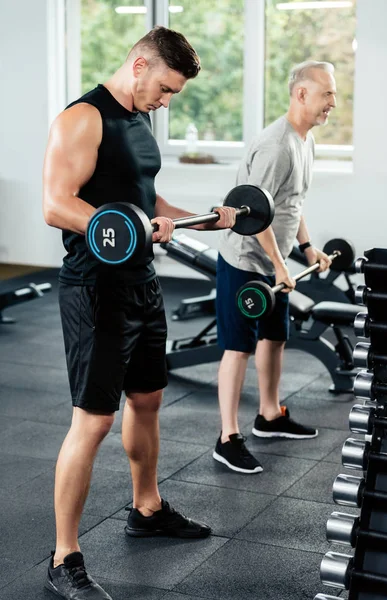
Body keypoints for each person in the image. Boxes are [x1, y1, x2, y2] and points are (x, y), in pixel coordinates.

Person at [42, 26, 236, 600]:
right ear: (140, 64)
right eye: (166, 88)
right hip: (95, 288)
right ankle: (63, 556)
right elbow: (56, 204)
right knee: (93, 420)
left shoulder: (140, 119)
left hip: (142, 283)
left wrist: (201, 216)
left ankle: (146, 507)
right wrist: (124, 225)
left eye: (174, 93)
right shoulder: (83, 118)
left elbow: (145, 202)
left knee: (148, 398)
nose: (167, 100)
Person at [213, 60, 337, 474]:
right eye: (327, 94)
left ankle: (269, 415)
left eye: (334, 94)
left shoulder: (306, 141)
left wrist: (306, 247)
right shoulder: (276, 145)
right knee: (238, 346)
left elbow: (290, 204)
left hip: (275, 262)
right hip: (246, 260)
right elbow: (255, 214)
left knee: (274, 336)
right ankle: (227, 437)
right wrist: (279, 264)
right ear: (301, 93)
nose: (332, 103)